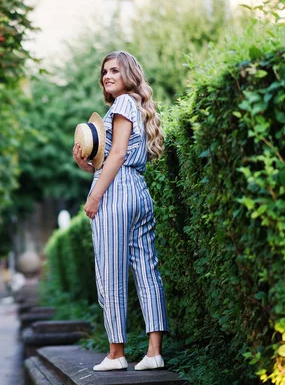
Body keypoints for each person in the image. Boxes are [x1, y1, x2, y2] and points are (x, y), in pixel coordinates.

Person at [72, 51, 169, 372]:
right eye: (104, 71)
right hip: (137, 190)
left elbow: (116, 154)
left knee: (110, 272)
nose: (107, 76)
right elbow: (109, 161)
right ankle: (154, 352)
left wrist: (95, 196)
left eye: (114, 70)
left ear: (129, 74)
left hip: (115, 194)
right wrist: (84, 165)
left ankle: (117, 353)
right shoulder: (134, 105)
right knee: (146, 270)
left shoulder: (123, 104)